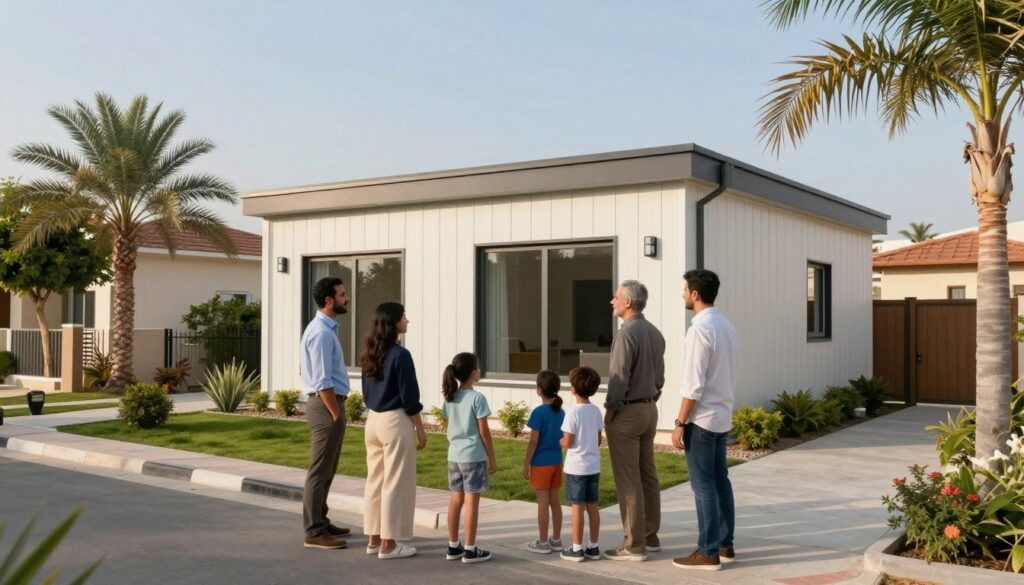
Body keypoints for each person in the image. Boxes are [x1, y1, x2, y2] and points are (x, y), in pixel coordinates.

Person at [671, 269, 738, 572]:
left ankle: (707, 551)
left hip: (701, 419)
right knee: (720, 482)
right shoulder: (726, 325)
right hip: (722, 415)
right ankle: (725, 545)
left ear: (695, 294)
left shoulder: (699, 329)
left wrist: (679, 422)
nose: (683, 294)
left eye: (685, 290)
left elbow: (693, 384)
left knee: (703, 486)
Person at [359, 302, 428, 560]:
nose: (407, 321)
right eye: (404, 317)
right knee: (395, 483)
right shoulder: (401, 355)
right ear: (394, 323)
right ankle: (389, 544)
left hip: (372, 421)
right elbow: (410, 397)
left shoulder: (368, 353)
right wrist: (420, 429)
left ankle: (374, 539)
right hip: (394, 421)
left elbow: (366, 392)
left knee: (375, 480)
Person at [603, 280, 666, 561]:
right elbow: (660, 377)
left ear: (628, 302)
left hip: (627, 411)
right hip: (650, 408)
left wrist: (611, 409)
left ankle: (633, 545)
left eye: (616, 297)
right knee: (648, 475)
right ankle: (650, 537)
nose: (612, 301)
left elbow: (618, 378)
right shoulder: (655, 333)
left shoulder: (626, 334)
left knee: (629, 480)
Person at [300, 276, 352, 549]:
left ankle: (321, 520)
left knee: (328, 469)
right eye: (343, 294)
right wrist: (335, 413)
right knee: (319, 470)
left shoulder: (327, 329)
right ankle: (313, 531)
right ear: (329, 300)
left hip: (329, 405)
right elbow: (322, 381)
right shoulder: (321, 333)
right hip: (326, 406)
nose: (347, 298)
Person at [441, 352, 497, 564]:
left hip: (454, 456)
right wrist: (492, 458)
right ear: (473, 372)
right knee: (472, 502)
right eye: (479, 367)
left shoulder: (450, 397)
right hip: (473, 456)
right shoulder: (477, 398)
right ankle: (471, 549)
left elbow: (450, 424)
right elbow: (484, 433)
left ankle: (453, 546)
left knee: (456, 500)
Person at [558, 366, 604, 562]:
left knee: (577, 507)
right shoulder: (596, 411)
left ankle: (576, 548)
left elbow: (567, 441)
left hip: (576, 467)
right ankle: (593, 546)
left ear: (574, 389)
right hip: (593, 466)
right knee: (592, 506)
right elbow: (598, 439)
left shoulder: (572, 413)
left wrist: (559, 441)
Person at [523, 370, 565, 554]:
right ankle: (556, 540)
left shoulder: (538, 413)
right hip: (557, 462)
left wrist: (526, 464)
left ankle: (542, 542)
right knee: (555, 502)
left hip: (540, 463)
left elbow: (533, 442)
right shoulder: (561, 412)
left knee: (542, 502)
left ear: (539, 390)